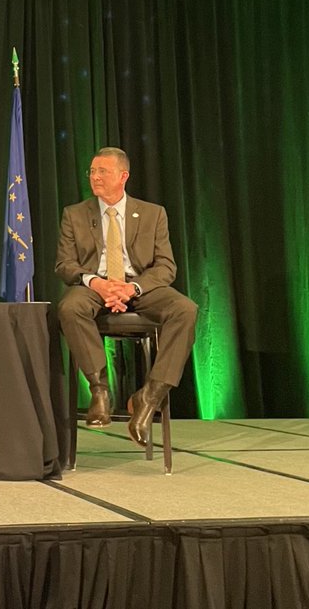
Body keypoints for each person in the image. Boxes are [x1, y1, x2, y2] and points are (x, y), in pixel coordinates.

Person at [55, 147, 198, 445]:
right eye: (92, 172)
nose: (95, 177)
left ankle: (149, 396)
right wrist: (96, 282)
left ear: (123, 176)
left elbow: (166, 266)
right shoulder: (75, 214)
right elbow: (65, 265)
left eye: (102, 172)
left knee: (185, 309)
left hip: (140, 286)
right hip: (94, 287)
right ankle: (100, 390)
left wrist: (131, 288)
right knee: (69, 307)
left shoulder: (153, 213)